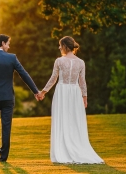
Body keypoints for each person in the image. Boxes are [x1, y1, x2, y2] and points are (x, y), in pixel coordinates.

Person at [37, 36, 104, 164]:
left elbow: (53, 79)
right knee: (74, 120)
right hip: (75, 92)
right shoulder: (81, 62)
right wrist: (84, 97)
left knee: (62, 119)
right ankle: (75, 148)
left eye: (60, 45)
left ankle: (65, 151)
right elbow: (82, 82)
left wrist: (43, 92)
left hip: (62, 91)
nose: (59, 48)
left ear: (65, 46)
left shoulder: (59, 61)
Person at [0, 34, 41, 163]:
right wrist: (36, 91)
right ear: (2, 43)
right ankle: (3, 157)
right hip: (8, 97)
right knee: (6, 126)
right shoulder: (12, 58)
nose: (9, 46)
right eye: (8, 43)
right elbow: (24, 74)